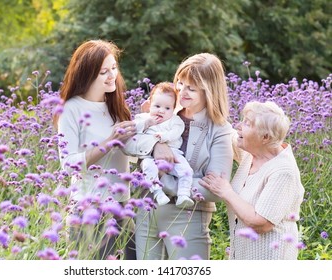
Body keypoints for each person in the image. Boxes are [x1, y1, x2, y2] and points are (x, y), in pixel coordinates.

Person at [134, 53, 234, 260]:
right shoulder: (164, 109)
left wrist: (164, 181)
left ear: (209, 90)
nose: (181, 91)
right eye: (180, 82)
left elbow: (215, 189)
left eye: (191, 87)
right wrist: (157, 143)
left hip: (188, 218)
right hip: (147, 209)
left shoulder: (220, 130)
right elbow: (130, 143)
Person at [56, 39, 137, 259]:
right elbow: (69, 165)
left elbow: (133, 151)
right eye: (104, 72)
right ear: (88, 74)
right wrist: (109, 142)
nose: (112, 76)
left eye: (114, 68)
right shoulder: (71, 109)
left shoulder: (116, 106)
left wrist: (151, 121)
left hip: (123, 207)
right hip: (90, 209)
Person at [201, 101, 305, 260]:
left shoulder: (283, 171)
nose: (239, 126)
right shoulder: (251, 154)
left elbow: (260, 223)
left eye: (247, 124)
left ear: (265, 137)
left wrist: (226, 191)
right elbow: (224, 130)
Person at [124, 82, 194, 208]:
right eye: (157, 106)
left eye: (167, 108)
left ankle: (183, 194)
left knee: (186, 170)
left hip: (173, 154)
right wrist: (147, 123)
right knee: (147, 168)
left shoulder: (175, 120)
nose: (161, 111)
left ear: (173, 109)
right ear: (149, 104)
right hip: (150, 156)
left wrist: (164, 137)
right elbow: (133, 132)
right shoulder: (143, 117)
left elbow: (177, 131)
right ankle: (157, 192)